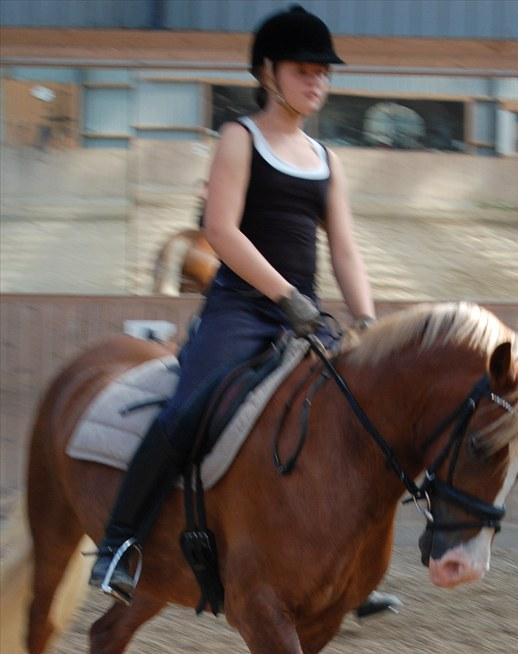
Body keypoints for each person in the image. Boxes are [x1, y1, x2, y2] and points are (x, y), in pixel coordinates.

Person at [90, 4, 400, 618]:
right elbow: (222, 231)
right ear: (267, 72)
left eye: (323, 73)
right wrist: (286, 298)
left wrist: (366, 322)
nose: (317, 82)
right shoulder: (240, 138)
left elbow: (343, 248)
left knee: (359, 420)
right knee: (188, 407)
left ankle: (342, 568)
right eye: (304, 70)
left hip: (304, 315)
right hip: (242, 309)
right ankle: (119, 543)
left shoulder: (326, 159)